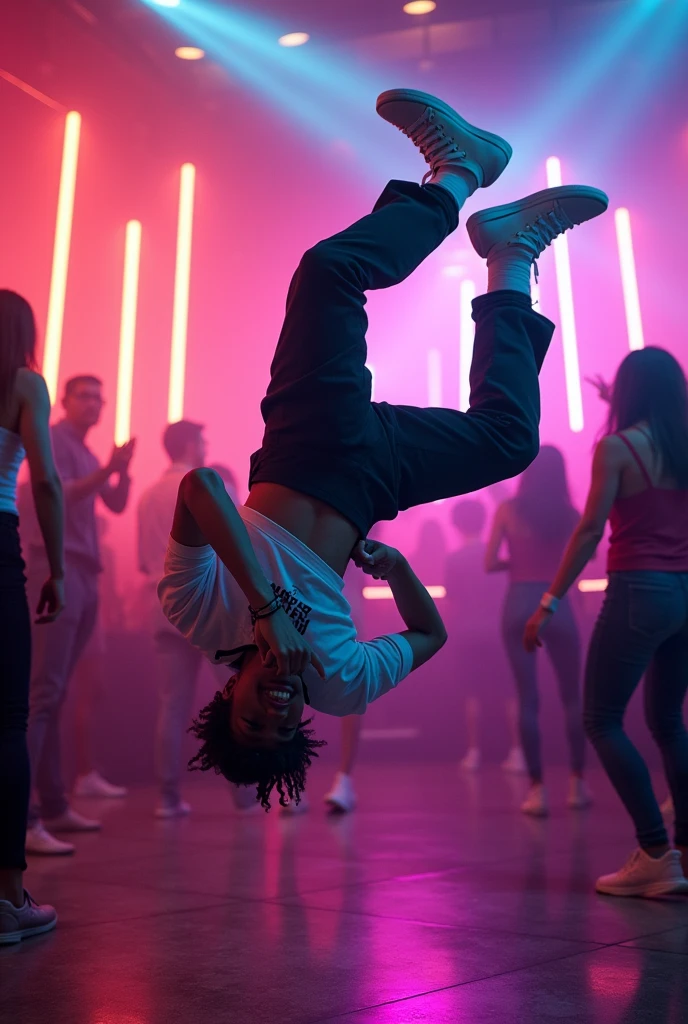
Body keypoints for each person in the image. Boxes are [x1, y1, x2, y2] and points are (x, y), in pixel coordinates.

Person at [157, 88, 608, 810]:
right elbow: (428, 634)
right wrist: (397, 570)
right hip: (375, 478)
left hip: (308, 440)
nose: (275, 707)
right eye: (283, 724)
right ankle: (512, 255)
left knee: (327, 274)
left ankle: (455, 176)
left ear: (225, 701)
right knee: (511, 440)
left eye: (252, 717)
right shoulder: (336, 684)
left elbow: (200, 490)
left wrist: (267, 607)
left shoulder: (199, 613)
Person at [525, 349, 688, 897]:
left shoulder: (617, 449)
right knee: (668, 721)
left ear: (628, 393)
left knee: (601, 719)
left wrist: (549, 600)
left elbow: (591, 530)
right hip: (686, 593)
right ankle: (681, 850)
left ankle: (654, 853)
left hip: (640, 590)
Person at [24, 375, 135, 855]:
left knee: (56, 693)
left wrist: (122, 470)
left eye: (99, 397)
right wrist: (109, 467)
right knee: (43, 694)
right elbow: (59, 493)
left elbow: (113, 502)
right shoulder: (52, 439)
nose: (94, 404)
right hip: (57, 568)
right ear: (64, 401)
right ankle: (24, 817)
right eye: (85, 396)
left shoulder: (88, 453)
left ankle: (51, 805)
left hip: (84, 572)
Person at [138, 426, 256, 816]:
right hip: (207, 609)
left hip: (162, 609)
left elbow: (142, 562)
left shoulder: (146, 497)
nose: (207, 448)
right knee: (237, 699)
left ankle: (167, 798)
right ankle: (243, 792)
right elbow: (233, 544)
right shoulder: (206, 489)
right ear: (192, 445)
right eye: (204, 442)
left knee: (171, 706)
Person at [0, 290, 63, 943]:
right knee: (7, 722)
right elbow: (44, 481)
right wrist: (60, 571)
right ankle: (8, 899)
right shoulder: (23, 382)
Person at [486, 446, 588, 816]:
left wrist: (517, 560)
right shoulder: (571, 514)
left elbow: (489, 562)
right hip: (557, 603)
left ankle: (537, 790)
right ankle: (578, 783)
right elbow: (585, 558)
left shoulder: (507, 511)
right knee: (571, 697)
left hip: (517, 604)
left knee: (527, 698)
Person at [445, 498, 525, 773]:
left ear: (456, 524)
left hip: (467, 632)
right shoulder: (498, 558)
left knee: (471, 693)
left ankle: (474, 752)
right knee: (510, 692)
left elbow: (451, 599)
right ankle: (518, 752)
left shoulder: (454, 560)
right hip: (499, 631)